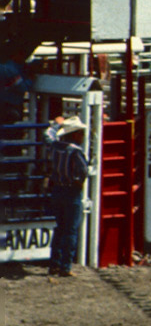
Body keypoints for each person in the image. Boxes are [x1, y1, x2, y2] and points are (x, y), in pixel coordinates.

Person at [43, 116, 90, 279]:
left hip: (57, 190)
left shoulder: (56, 145)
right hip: (71, 192)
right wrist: (78, 181)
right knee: (70, 230)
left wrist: (56, 124)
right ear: (75, 134)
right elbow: (84, 171)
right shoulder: (75, 151)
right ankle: (65, 266)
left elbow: (47, 135)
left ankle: (54, 264)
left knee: (59, 228)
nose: (83, 136)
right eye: (81, 133)